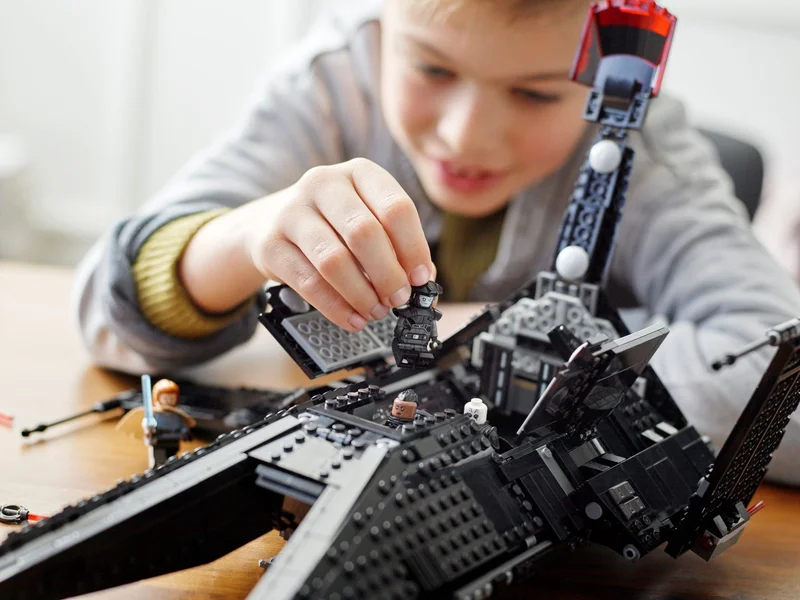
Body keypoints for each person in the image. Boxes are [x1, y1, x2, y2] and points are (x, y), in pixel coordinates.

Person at [72, 0, 800, 484]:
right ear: (383, 25)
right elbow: (104, 314)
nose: (466, 136)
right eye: (431, 67)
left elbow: (785, 392)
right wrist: (244, 236)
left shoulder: (646, 155)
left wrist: (477, 337)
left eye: (537, 92)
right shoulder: (329, 86)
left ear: (610, 74)